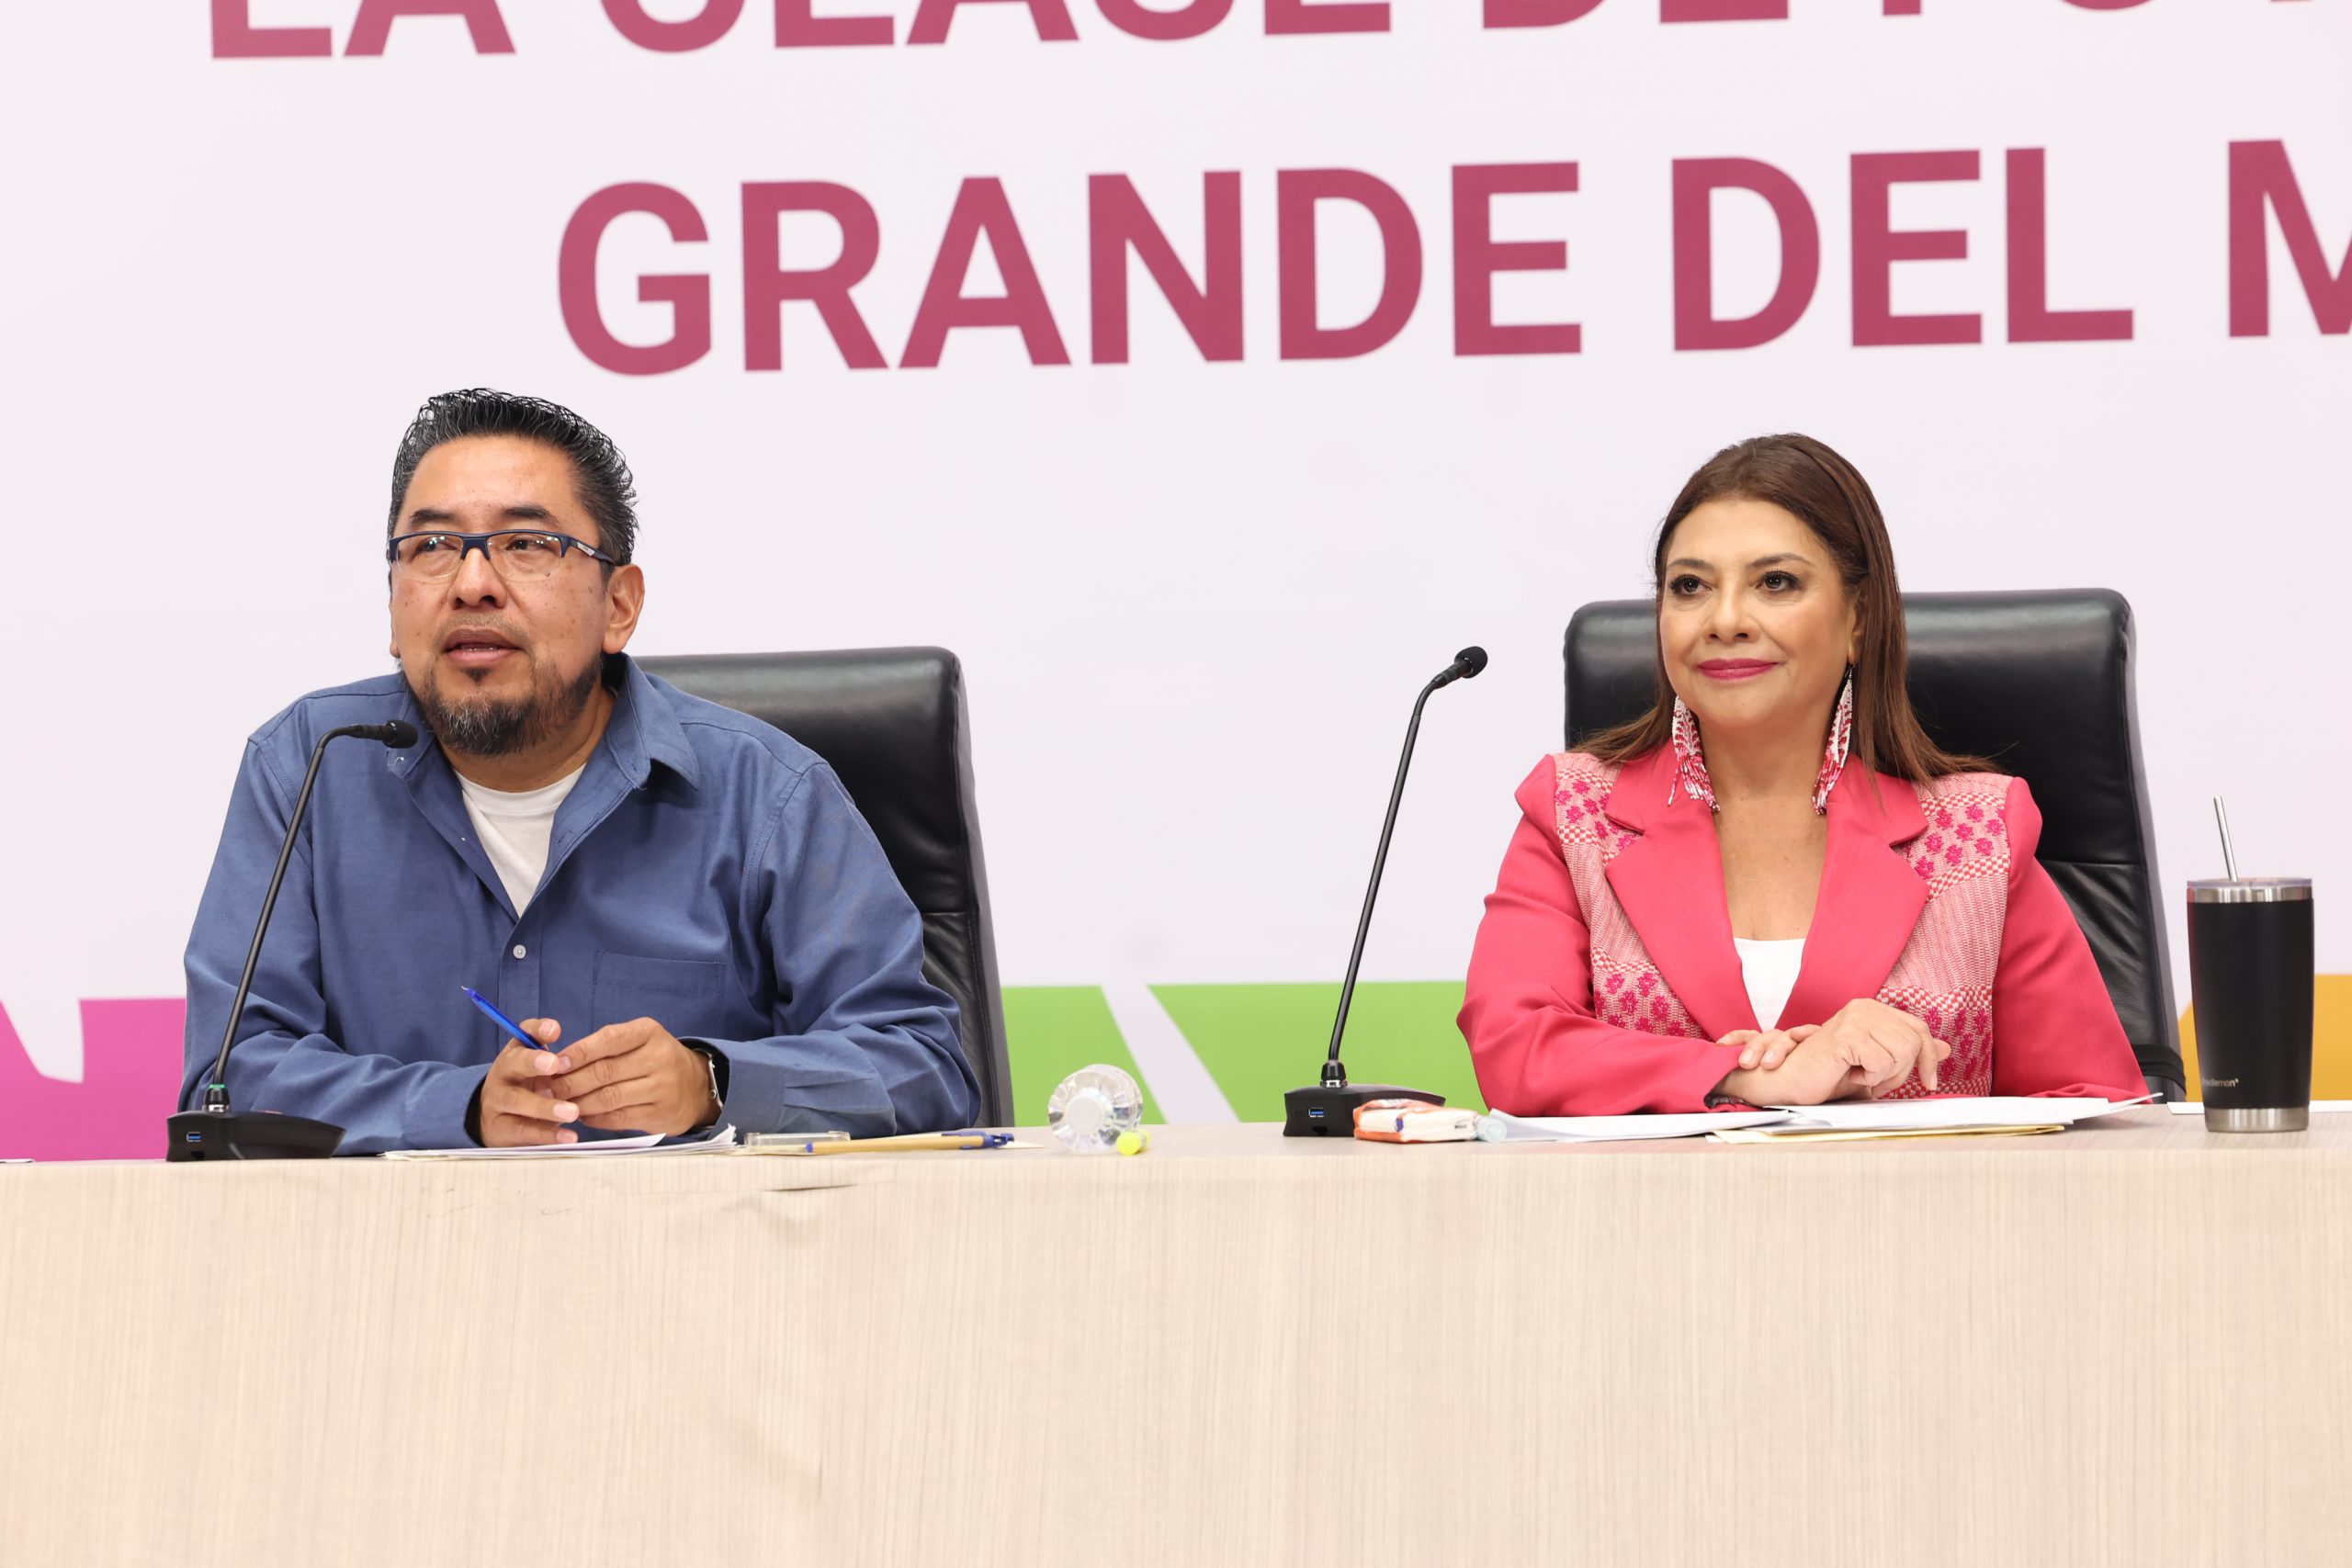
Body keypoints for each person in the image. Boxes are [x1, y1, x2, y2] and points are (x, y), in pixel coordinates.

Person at [180, 389, 978, 1152]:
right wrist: (456, 1108)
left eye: (526, 544)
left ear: (619, 606)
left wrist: (714, 1080)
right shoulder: (308, 767)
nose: (472, 583)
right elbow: (231, 1077)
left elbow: (922, 1066)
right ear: (393, 602)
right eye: (431, 547)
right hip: (401, 1269)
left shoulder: (766, 793)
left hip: (694, 1267)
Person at [1458, 434, 2146, 1115]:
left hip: (1917, 1222)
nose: (1725, 620)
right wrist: (1747, 1075)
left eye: (1775, 582)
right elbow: (1514, 1047)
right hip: (1646, 1223)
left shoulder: (1980, 838)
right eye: (1690, 586)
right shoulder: (1575, 813)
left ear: (1859, 617)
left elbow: (2096, 1106)